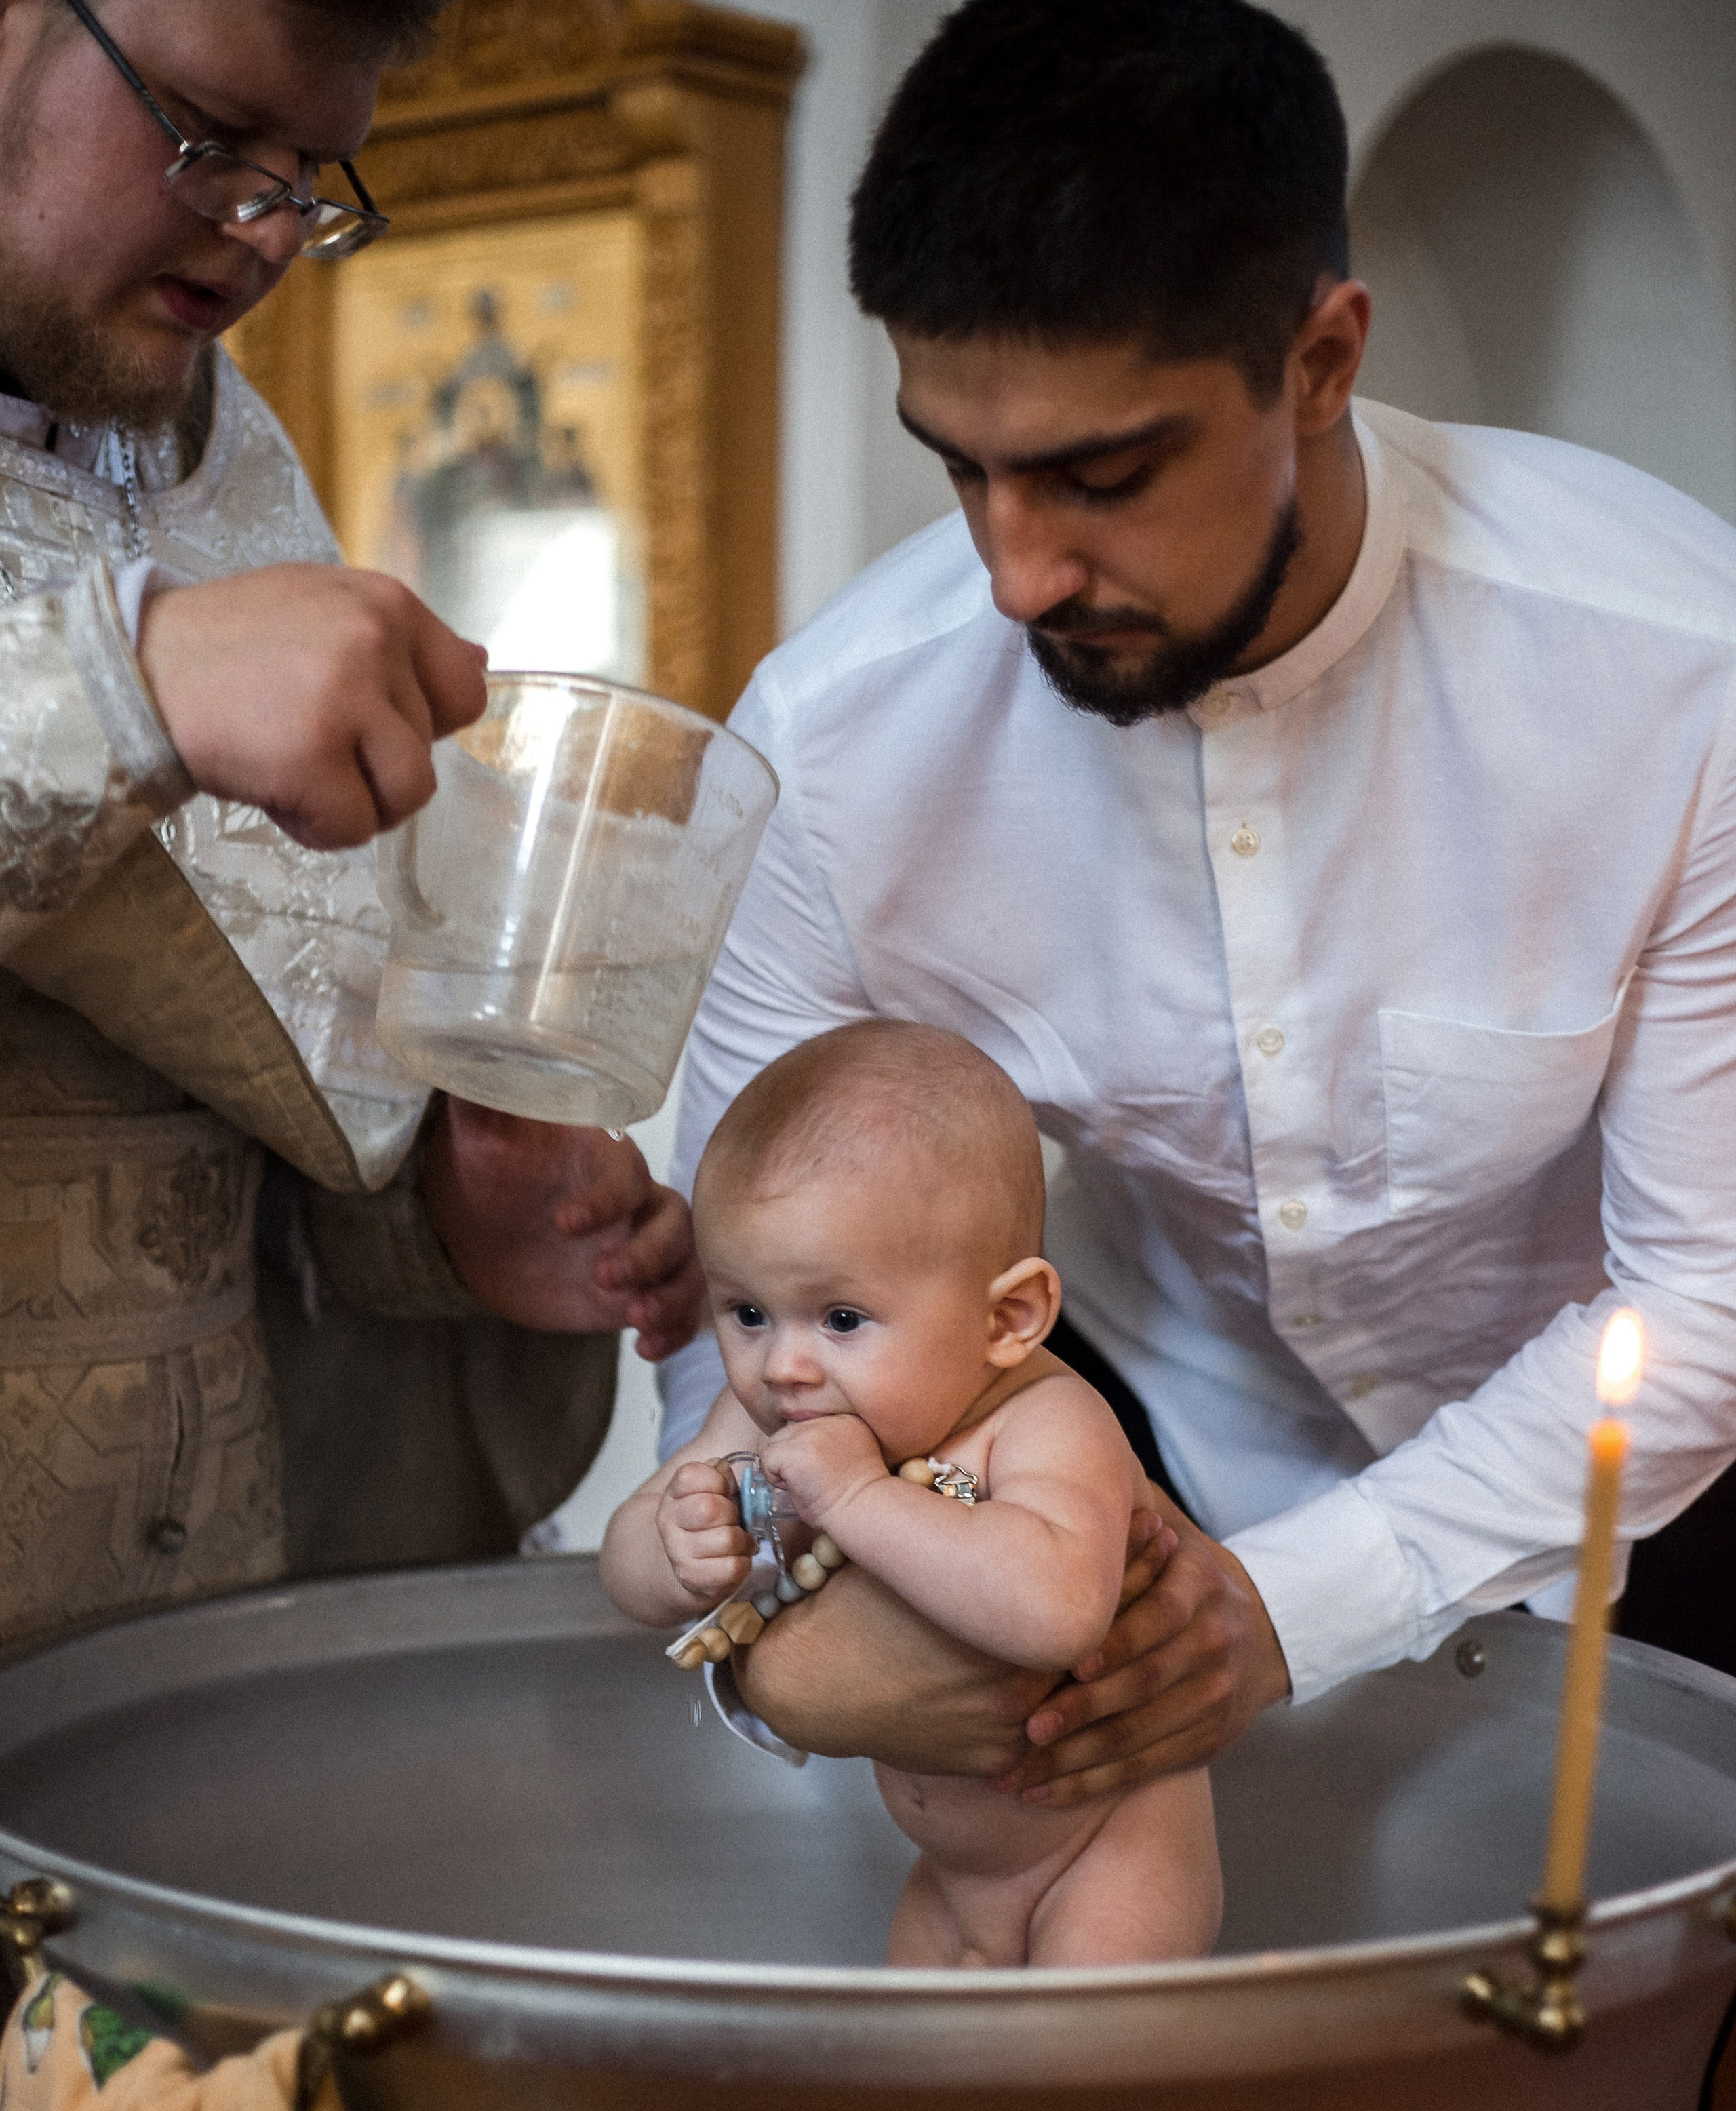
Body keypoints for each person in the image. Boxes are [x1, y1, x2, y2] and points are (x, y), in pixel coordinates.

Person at [658, 0, 1736, 1805]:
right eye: (960, 465)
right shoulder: (838, 751)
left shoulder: (1679, 676)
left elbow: (1707, 1290)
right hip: (1110, 1493)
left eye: (1101, 477)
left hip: (1656, 1499)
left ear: (1318, 361)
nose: (1015, 576)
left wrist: (1292, 1607)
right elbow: (747, 1328)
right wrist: (783, 1660)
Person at [0, 0, 701, 1652]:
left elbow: (220, 1098)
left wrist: (445, 1223)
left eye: (311, 171)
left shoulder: (208, 441)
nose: (262, 229)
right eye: (206, 129)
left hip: (184, 1660)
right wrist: (125, 685)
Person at [603, 1021, 1222, 1967]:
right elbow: (628, 1566)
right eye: (747, 1313)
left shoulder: (1048, 1422)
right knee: (924, 2102)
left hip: (1101, 1859)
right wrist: (672, 1547)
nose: (784, 1365)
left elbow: (1055, 1610)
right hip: (951, 1876)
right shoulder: (772, 1412)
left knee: (1079, 2091)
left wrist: (857, 1499)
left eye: (842, 1318)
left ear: (1008, 1319)